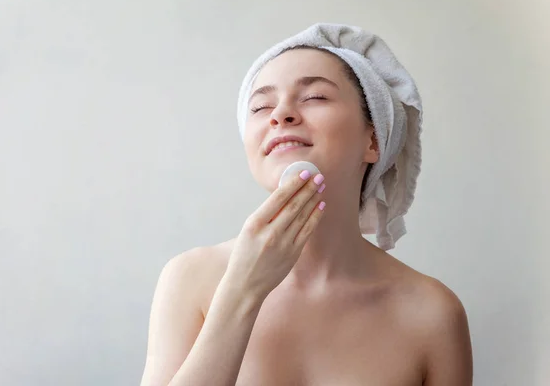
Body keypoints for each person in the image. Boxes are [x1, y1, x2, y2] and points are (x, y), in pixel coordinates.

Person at [140, 23, 473, 386]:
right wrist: (243, 289)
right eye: (260, 106)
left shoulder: (432, 313)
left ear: (374, 140)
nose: (279, 115)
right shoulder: (191, 278)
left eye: (314, 97)